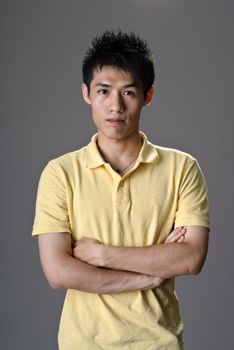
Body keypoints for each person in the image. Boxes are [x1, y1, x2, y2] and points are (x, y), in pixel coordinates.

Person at [32, 30, 210, 350]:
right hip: (83, 343)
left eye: (128, 92)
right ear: (87, 93)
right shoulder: (60, 173)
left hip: (161, 343)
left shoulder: (183, 168)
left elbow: (191, 257)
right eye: (104, 91)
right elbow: (58, 272)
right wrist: (148, 277)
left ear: (148, 96)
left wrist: (101, 255)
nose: (115, 106)